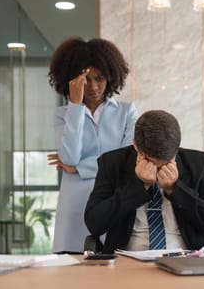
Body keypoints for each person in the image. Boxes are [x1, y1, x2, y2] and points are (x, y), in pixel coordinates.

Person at [84, 110, 204, 254]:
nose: (159, 169)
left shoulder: (199, 163)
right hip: (128, 259)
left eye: (167, 162)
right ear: (135, 145)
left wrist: (175, 189)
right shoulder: (112, 163)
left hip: (187, 258)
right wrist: (139, 186)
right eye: (150, 162)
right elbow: (94, 224)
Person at [47, 37, 138, 253]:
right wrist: (75, 105)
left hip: (112, 201)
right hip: (75, 204)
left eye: (100, 78)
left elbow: (125, 161)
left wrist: (78, 168)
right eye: (86, 80)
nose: (94, 86)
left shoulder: (127, 112)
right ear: (72, 80)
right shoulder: (63, 115)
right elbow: (69, 157)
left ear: (110, 76)